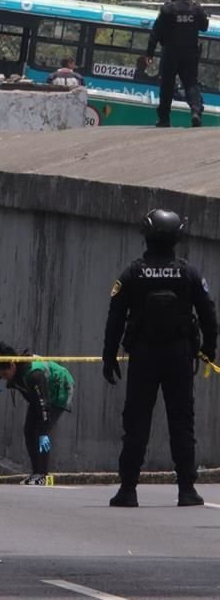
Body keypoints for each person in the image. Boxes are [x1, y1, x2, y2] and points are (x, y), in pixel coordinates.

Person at [103, 208, 217, 508]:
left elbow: (115, 318)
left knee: (136, 422)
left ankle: (128, 490)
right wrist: (209, 349)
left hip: (143, 356)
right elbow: (208, 315)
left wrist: (108, 355)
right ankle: (187, 490)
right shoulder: (189, 273)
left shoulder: (133, 273)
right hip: (179, 356)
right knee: (182, 422)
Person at [0, 344, 74, 485]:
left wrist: (44, 431)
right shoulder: (14, 364)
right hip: (40, 394)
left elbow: (43, 405)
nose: (4, 378)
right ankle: (36, 472)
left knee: (40, 431)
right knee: (29, 431)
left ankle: (42, 475)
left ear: (12, 365)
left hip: (58, 390)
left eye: (4, 375)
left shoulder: (34, 374)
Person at [146, 0, 209, 128]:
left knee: (167, 86)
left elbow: (156, 32)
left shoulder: (168, 9)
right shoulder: (196, 8)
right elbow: (204, 27)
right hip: (190, 53)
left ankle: (164, 119)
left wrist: (149, 53)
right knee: (190, 83)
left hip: (170, 53)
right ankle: (196, 112)